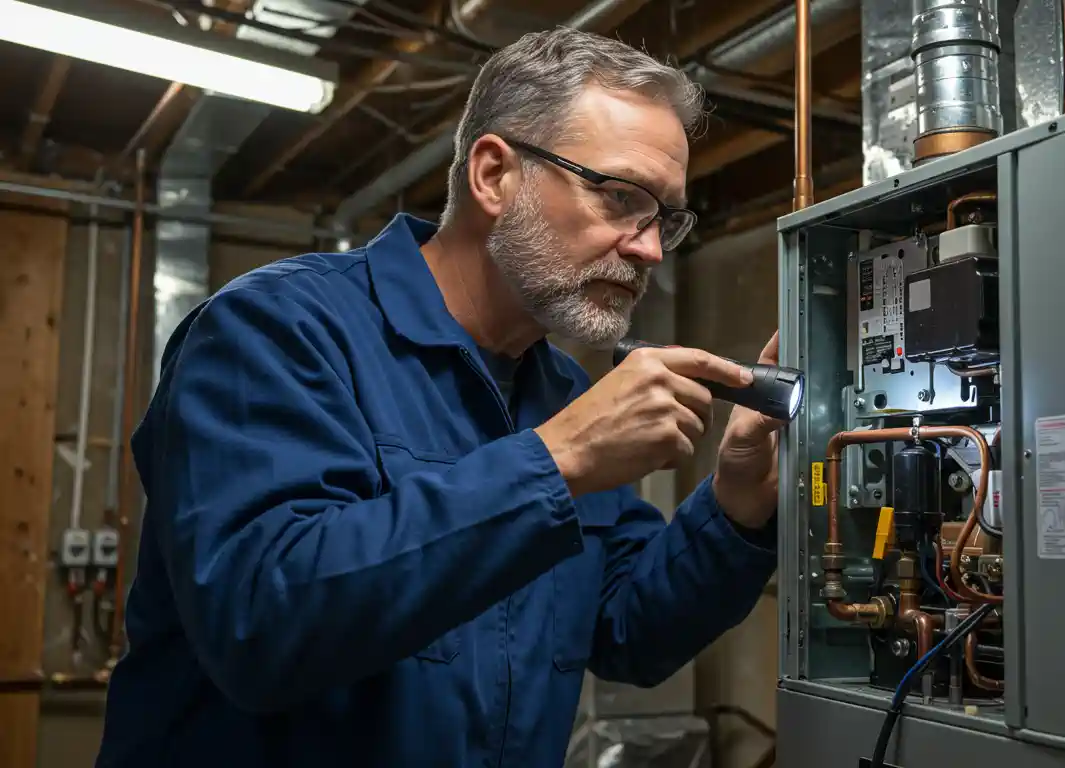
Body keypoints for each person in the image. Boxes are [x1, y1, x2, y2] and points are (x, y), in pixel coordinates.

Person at [97, 27, 781, 767]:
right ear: (493, 176)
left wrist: (737, 504)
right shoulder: (275, 332)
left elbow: (626, 630)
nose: (647, 247)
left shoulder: (559, 392)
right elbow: (260, 625)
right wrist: (558, 462)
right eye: (620, 197)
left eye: (665, 219)